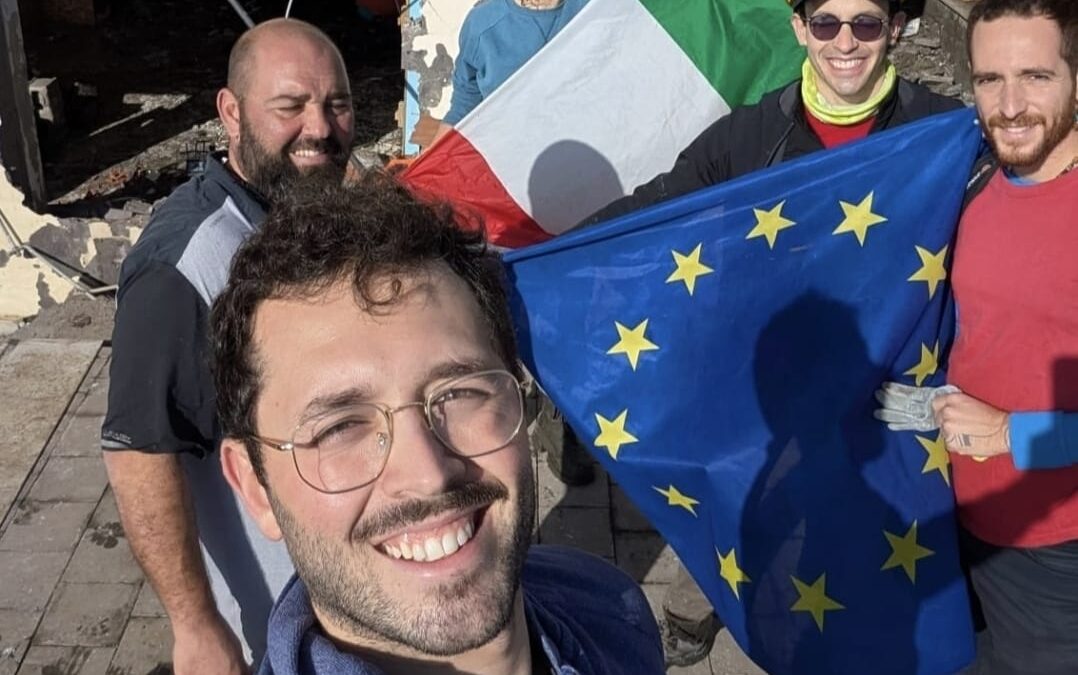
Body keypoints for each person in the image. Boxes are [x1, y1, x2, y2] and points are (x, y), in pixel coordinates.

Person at [578, 0, 964, 666]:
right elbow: (658, 206)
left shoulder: (942, 131)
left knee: (872, 554)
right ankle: (694, 611)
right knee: (743, 513)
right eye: (827, 23)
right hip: (774, 394)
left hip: (888, 397)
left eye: (867, 23)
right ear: (799, 29)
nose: (846, 42)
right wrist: (542, 257)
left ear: (896, 28)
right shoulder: (753, 134)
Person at [210, 174, 665, 674]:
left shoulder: (613, 611)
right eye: (339, 428)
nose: (429, 474)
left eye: (459, 392)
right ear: (255, 488)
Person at [99, 18, 355, 673]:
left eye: (337, 103)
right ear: (231, 113)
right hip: (275, 627)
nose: (320, 127)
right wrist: (195, 624)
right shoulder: (185, 268)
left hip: (345, 598)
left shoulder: (295, 210)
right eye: (290, 106)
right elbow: (139, 450)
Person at [892, 1, 1077, 672]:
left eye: (1035, 76)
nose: (1011, 105)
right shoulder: (974, 178)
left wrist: (1008, 433)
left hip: (1054, 551)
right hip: (955, 516)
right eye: (990, 80)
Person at [442, 0, 590, 125]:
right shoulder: (482, 24)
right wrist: (440, 150)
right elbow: (465, 102)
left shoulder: (593, 9)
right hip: (510, 142)